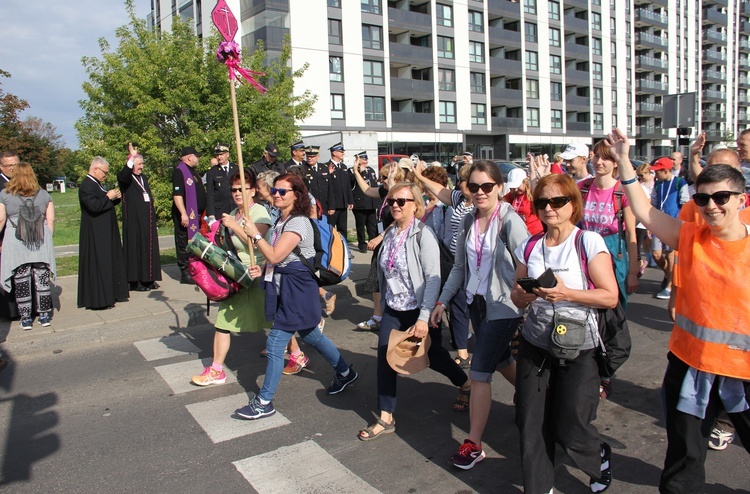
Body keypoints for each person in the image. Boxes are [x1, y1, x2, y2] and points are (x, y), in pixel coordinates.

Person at [605, 128, 750, 494]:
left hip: (743, 373)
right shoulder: (691, 236)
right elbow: (645, 212)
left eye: (721, 197)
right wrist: (624, 161)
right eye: (703, 199)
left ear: (741, 200)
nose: (711, 206)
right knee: (684, 457)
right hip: (691, 368)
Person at [510, 173, 619, 493]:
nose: (549, 208)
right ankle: (539, 488)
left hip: (579, 346)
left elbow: (609, 296)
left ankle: (597, 458)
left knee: (571, 426)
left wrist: (566, 293)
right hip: (535, 343)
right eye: (542, 202)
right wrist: (523, 296)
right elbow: (516, 293)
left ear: (574, 204)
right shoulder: (528, 245)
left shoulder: (587, 242)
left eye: (558, 201)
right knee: (530, 423)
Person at [429, 161, 529, 469]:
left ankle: (473, 443)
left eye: (487, 186)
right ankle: (535, 396)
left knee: (479, 371)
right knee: (502, 362)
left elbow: (526, 264)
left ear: (500, 188)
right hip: (476, 302)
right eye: (474, 187)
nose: (480, 192)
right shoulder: (469, 220)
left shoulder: (511, 221)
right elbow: (460, 267)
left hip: (503, 306)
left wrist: (521, 299)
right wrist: (442, 301)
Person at [236, 174, 358, 419]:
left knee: (274, 345)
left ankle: (264, 401)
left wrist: (255, 235)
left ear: (297, 195)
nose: (277, 194)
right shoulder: (281, 220)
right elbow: (278, 259)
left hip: (297, 288)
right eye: (275, 190)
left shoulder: (299, 222)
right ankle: (345, 373)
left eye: (283, 191)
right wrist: (262, 271)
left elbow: (275, 255)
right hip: (286, 284)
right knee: (311, 335)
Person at [358, 182, 470, 441]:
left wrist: (423, 317)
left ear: (415, 206)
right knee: (385, 360)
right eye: (392, 201)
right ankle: (386, 417)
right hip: (394, 309)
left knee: (436, 356)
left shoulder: (423, 235)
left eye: (402, 201)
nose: (395, 205)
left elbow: (432, 278)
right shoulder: (390, 234)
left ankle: (465, 383)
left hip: (419, 310)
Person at [191, 170, 272, 386]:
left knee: (275, 321)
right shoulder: (234, 212)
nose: (237, 193)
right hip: (237, 276)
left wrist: (235, 227)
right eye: (234, 189)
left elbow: (257, 242)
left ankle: (296, 353)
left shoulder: (259, 213)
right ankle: (217, 370)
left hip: (258, 274)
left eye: (242, 189)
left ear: (253, 191)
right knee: (223, 322)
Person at [414, 162, 474, 368]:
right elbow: (439, 189)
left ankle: (464, 352)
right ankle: (441, 348)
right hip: (452, 260)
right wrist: (419, 176)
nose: (458, 184)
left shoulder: (479, 203)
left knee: (460, 306)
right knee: (446, 301)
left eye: (462, 181)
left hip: (471, 264)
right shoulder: (460, 199)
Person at [352, 161, 413, 331]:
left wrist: (380, 236)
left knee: (396, 279)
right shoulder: (385, 191)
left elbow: (399, 219)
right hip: (384, 243)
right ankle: (378, 316)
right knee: (375, 279)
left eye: (384, 178)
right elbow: (366, 190)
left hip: (395, 242)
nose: (382, 181)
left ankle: (401, 317)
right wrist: (356, 171)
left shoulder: (402, 194)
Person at [0, 162, 56, 328]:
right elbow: (51, 219)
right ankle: (44, 315)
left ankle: (25, 318)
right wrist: (48, 238)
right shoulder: (44, 194)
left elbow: (2, 219)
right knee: (42, 278)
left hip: (17, 242)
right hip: (39, 239)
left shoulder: (4, 194)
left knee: (21, 279)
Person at [78, 157, 129, 310]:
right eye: (104, 173)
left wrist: (114, 198)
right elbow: (94, 206)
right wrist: (108, 196)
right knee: (99, 264)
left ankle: (111, 293)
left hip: (106, 230)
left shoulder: (97, 184)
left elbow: (103, 203)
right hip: (96, 232)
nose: (106, 176)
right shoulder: (87, 185)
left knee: (109, 261)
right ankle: (100, 299)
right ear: (95, 169)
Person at [118, 143, 161, 292]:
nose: (141, 166)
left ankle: (149, 278)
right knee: (137, 249)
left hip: (147, 220)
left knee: (148, 248)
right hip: (134, 221)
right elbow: (123, 176)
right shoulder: (126, 178)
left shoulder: (143, 178)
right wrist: (131, 157)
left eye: (142, 163)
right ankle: (136, 281)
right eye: (139, 164)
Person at [648, 157, 689, 300]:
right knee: (656, 254)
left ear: (665, 171)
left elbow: (685, 203)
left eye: (658, 172)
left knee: (670, 255)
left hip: (674, 224)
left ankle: (669, 286)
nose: (655, 175)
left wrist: (682, 223)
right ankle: (669, 274)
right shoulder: (658, 185)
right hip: (659, 223)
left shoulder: (679, 183)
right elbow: (653, 202)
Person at [172, 146, 207, 285]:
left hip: (196, 214)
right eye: (196, 156)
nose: (198, 158)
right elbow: (177, 195)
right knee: (183, 242)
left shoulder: (192, 171)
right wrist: (183, 213)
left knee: (192, 243)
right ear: (189, 157)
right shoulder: (180, 171)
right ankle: (185, 272)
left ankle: (193, 268)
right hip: (185, 215)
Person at [0, 151, 20, 320]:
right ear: (1, 167)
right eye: (9, 166)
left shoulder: (23, 181)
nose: (13, 168)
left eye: (15, 164)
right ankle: (10, 312)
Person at [350, 152, 380, 253]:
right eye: (363, 159)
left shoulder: (370, 170)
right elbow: (351, 184)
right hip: (360, 204)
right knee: (360, 225)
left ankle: (372, 242)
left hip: (371, 203)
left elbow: (374, 184)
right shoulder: (352, 171)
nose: (366, 161)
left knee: (372, 225)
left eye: (366, 159)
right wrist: (360, 172)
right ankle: (362, 243)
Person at [504, 168, 543, 235]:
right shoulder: (513, 194)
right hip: (520, 233)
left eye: (517, 186)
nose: (515, 189)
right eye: (513, 187)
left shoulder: (532, 193)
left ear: (525, 182)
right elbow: (500, 201)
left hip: (534, 233)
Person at [205, 143, 238, 222]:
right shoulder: (212, 172)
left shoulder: (236, 169)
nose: (219, 157)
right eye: (217, 155)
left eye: (221, 154)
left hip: (235, 208)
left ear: (227, 154)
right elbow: (210, 194)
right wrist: (211, 214)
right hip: (220, 210)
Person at [326, 142, 353, 233]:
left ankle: (343, 246)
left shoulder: (343, 167)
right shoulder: (327, 166)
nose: (343, 153)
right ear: (334, 153)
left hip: (343, 203)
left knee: (343, 229)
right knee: (330, 228)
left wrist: (350, 200)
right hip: (333, 204)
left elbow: (347, 185)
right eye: (341, 151)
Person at [635, 163, 655, 276]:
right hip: (640, 219)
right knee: (642, 241)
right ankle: (648, 257)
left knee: (648, 238)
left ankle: (649, 257)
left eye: (642, 175)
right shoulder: (640, 184)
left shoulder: (653, 183)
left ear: (648, 173)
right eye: (638, 176)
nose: (640, 178)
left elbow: (650, 202)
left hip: (650, 215)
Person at [302, 145, 332, 213]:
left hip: (324, 205)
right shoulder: (303, 169)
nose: (309, 158)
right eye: (308, 156)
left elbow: (330, 189)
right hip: (310, 205)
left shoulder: (324, 168)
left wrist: (331, 206)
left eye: (312, 157)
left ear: (318, 156)